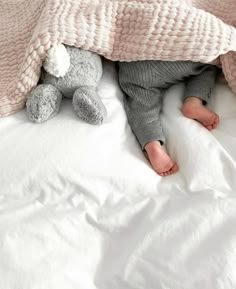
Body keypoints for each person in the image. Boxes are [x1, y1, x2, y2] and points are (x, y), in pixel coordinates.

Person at [118, 60, 219, 176]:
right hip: (171, 60)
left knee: (143, 107)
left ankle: (152, 144)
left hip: (132, 68)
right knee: (209, 65)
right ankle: (194, 100)